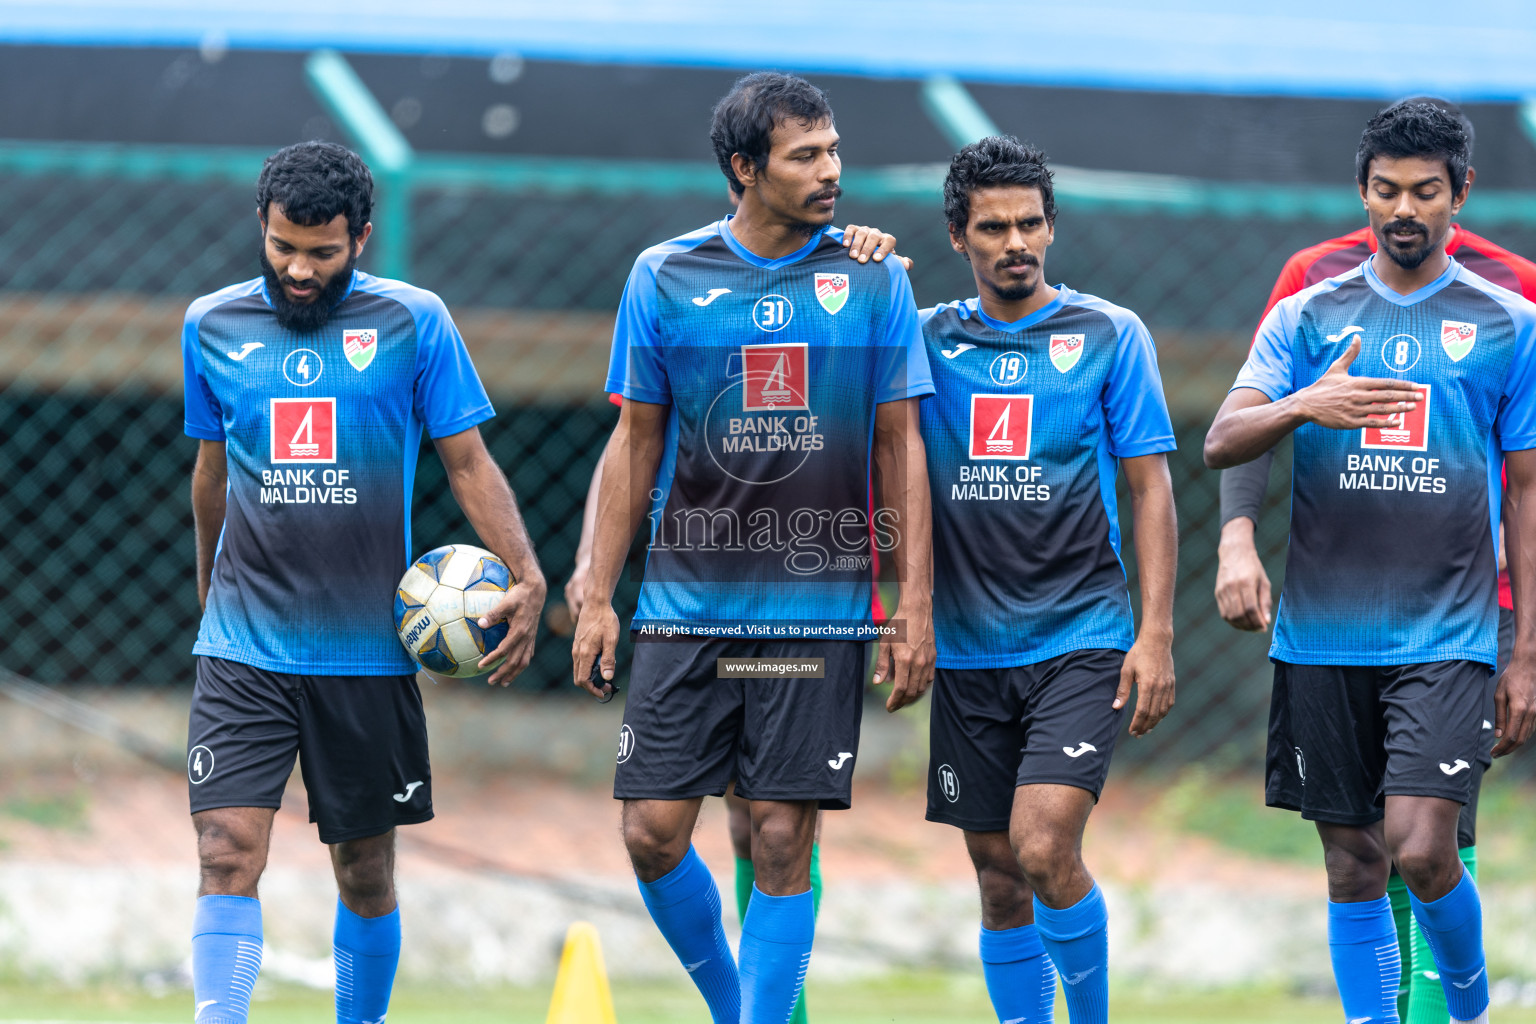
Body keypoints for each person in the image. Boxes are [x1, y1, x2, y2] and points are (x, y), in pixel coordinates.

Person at [570, 72, 936, 1024]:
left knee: (781, 836)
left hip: (814, 615)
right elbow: (635, 439)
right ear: (744, 168)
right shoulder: (665, 274)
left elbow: (900, 448)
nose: (832, 172)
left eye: (834, 151)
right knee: (651, 833)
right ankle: (740, 1009)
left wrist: (908, 607)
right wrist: (597, 590)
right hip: (686, 611)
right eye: (805, 155)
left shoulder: (872, 277)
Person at [181, 141, 545, 1024]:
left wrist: (529, 575)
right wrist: (209, 590)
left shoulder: (416, 322)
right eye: (281, 248)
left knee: (365, 869)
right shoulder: (212, 325)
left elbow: (465, 461)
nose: (298, 270)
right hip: (245, 645)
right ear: (260, 229)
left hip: (367, 650)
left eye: (322, 252)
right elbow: (210, 473)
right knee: (227, 850)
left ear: (363, 237)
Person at [1205, 102, 1536, 1024]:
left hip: (1454, 624)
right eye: (1387, 189)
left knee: (1425, 848)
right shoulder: (1309, 302)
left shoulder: (1511, 313)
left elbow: (1526, 489)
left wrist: (1526, 651)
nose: (1404, 208)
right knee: (1355, 858)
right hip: (1323, 631)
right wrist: (1304, 408)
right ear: (1362, 192)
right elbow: (1228, 437)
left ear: (1459, 195)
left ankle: (1464, 1009)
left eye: (1425, 191)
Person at [919, 136, 1177, 1023]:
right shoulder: (924, 340)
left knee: (1041, 845)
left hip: (1083, 637)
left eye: (1030, 222)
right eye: (993, 227)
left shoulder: (1111, 335)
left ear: (1052, 227)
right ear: (960, 237)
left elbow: (1150, 486)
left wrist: (1156, 633)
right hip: (967, 649)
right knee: (997, 877)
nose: (1015, 241)